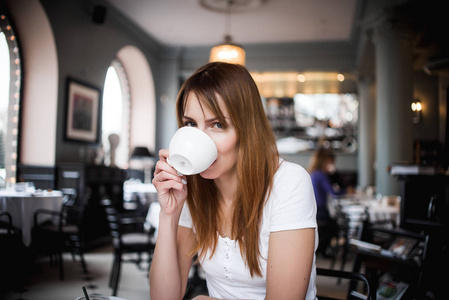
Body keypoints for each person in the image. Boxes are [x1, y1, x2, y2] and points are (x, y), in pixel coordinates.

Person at [149, 62, 318, 300]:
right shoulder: (191, 188)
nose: (199, 140)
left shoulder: (288, 182)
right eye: (190, 124)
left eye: (217, 125)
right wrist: (169, 215)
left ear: (247, 129)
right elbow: (164, 298)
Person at [307, 148, 349, 256]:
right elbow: (334, 193)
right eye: (331, 162)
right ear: (325, 161)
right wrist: (347, 190)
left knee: (334, 223)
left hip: (312, 209)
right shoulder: (321, 174)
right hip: (320, 210)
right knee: (336, 225)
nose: (332, 165)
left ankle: (322, 249)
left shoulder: (312, 173)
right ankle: (324, 250)